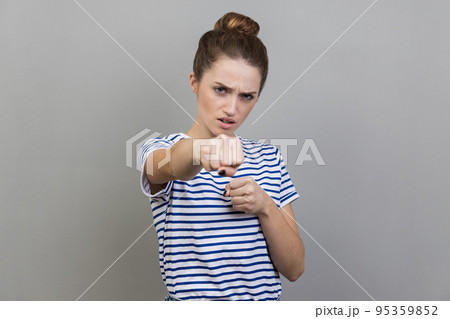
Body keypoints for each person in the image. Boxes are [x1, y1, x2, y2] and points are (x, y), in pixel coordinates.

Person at [138, 12, 304, 301]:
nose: (231, 108)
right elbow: (171, 166)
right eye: (220, 90)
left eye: (246, 96)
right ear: (194, 82)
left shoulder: (269, 158)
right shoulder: (158, 149)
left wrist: (265, 205)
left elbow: (294, 268)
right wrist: (203, 151)